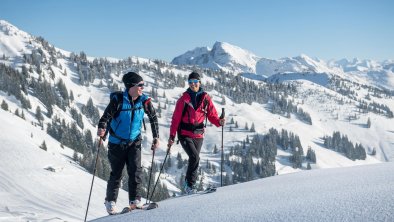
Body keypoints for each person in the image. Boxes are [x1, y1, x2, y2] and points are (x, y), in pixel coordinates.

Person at [97, 71, 159, 215]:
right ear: (131, 86)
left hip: (134, 141)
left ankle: (135, 200)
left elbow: (153, 117)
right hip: (116, 143)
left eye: (143, 85)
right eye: (140, 85)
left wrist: (156, 137)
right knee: (117, 173)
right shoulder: (118, 100)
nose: (142, 88)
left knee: (135, 171)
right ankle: (110, 202)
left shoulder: (144, 101)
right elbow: (104, 118)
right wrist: (101, 129)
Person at [168, 71, 225, 194]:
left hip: (198, 134)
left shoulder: (206, 98)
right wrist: (172, 136)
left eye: (195, 82)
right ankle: (189, 186)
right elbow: (175, 119)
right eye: (190, 82)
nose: (193, 84)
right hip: (184, 133)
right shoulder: (183, 99)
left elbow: (212, 116)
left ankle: (189, 185)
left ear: (199, 82)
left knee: (194, 159)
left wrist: (219, 122)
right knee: (195, 157)